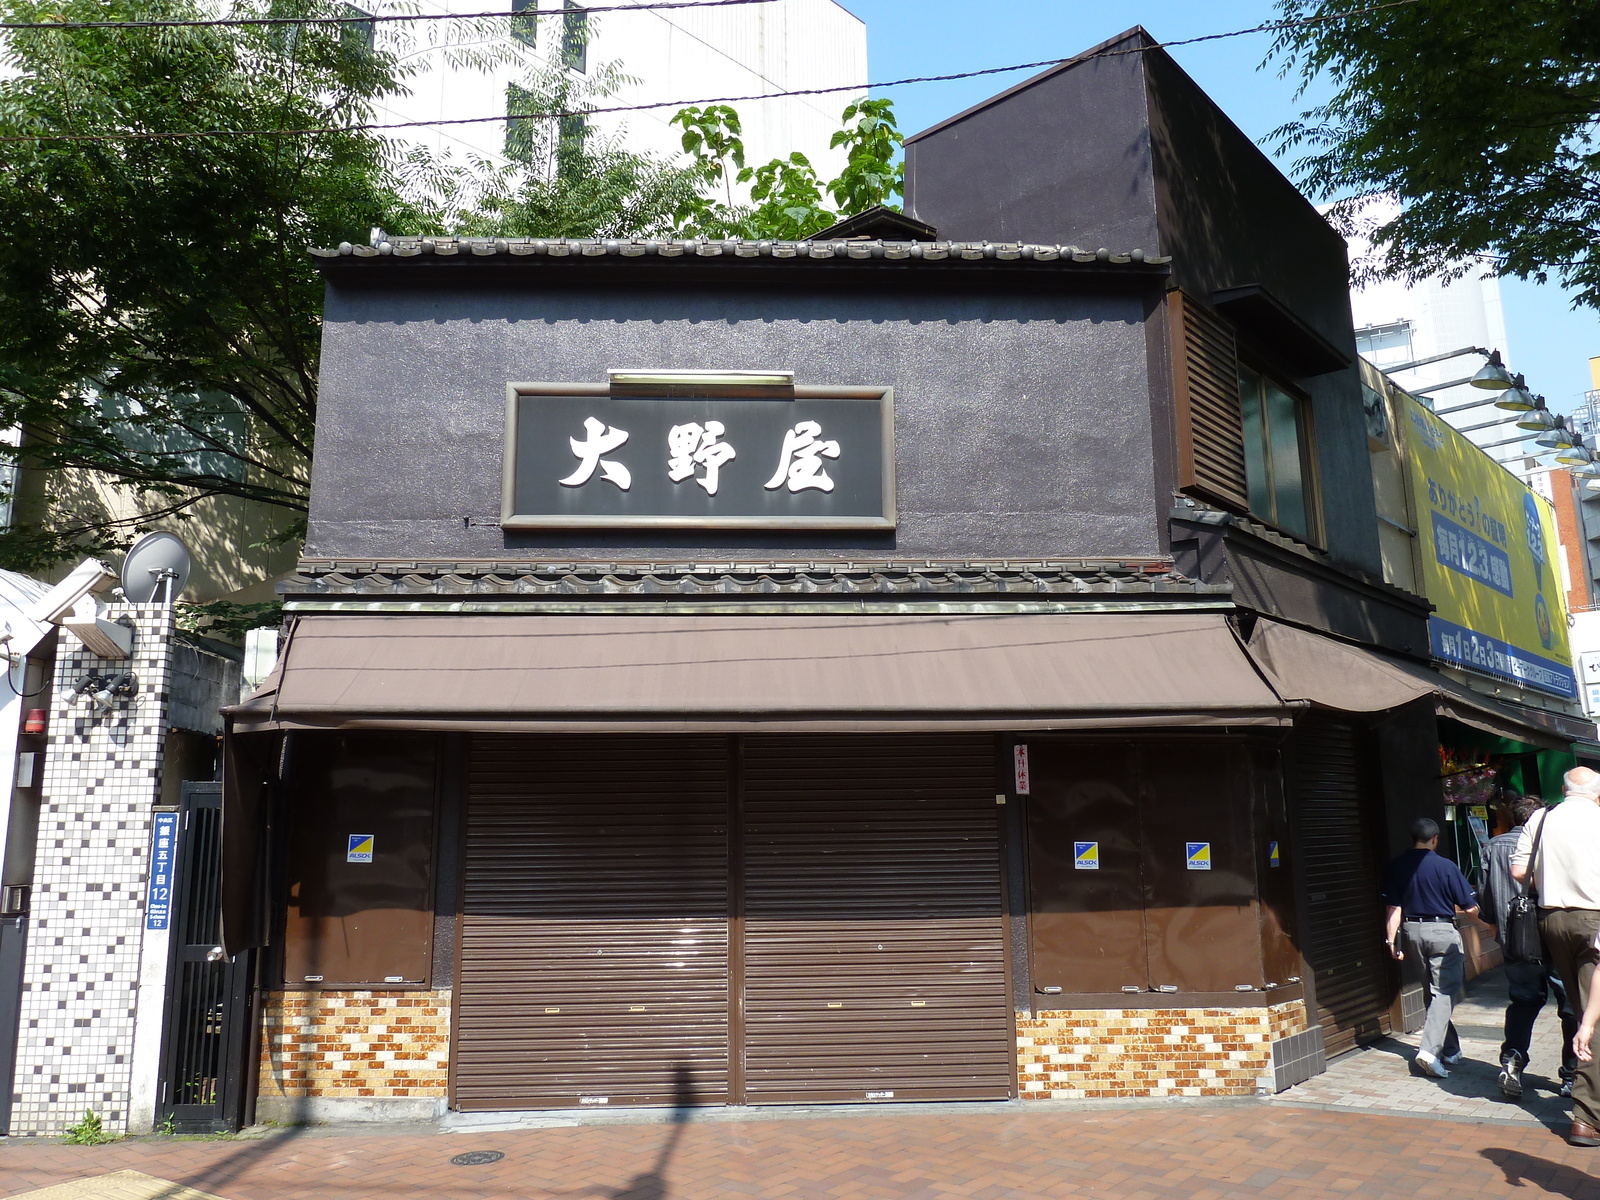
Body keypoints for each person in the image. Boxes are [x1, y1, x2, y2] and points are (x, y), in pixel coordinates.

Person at [1513, 765, 1600, 1147]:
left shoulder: (1541, 817)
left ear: (1563, 790)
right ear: (1597, 793)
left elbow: (1518, 870)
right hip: (1594, 919)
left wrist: (1548, 880)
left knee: (1583, 1008)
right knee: (1592, 1014)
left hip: (1551, 919)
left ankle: (1586, 1105)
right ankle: (1586, 1116)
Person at [1479, 793, 1578, 1100]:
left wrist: (1497, 928)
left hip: (1515, 939)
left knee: (1523, 1002)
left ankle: (1512, 1059)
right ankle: (1571, 1074)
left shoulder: (1492, 847)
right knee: (1570, 1005)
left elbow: (1484, 896)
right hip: (1554, 935)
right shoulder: (1552, 842)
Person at [1382, 815, 1480, 1079]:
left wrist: (1392, 940)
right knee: (1444, 992)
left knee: (1433, 992)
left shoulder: (1397, 866)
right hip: (1442, 932)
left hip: (1412, 932)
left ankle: (1451, 1049)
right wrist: (1491, 926)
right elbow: (1469, 907)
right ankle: (1428, 1051)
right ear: (1435, 839)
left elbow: (1393, 907)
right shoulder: (1446, 866)